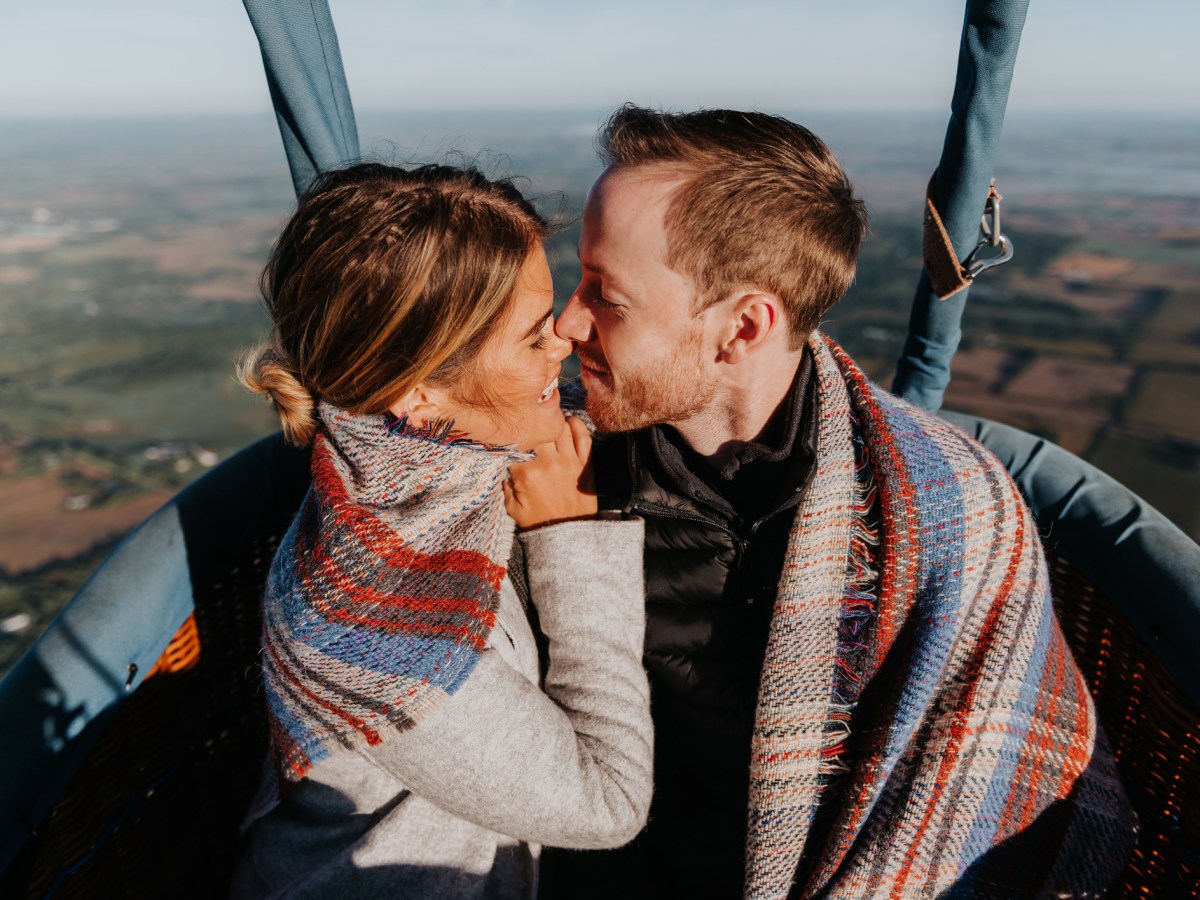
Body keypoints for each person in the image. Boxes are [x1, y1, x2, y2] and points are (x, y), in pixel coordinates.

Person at [539, 107, 1136, 899]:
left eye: (607, 296)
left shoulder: (949, 508)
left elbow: (970, 798)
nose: (566, 322)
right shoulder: (551, 466)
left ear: (743, 328)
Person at [228, 162, 652, 899]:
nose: (561, 340)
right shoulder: (374, 628)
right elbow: (606, 804)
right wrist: (568, 536)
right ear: (418, 394)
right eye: (532, 338)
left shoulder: (432, 464)